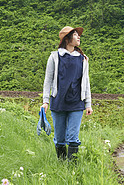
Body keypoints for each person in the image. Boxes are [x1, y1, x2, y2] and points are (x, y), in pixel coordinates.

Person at [41, 26, 93, 160]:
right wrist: (45, 101)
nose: (78, 37)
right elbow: (48, 80)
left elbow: (85, 82)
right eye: (75, 34)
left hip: (76, 102)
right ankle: (61, 165)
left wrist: (88, 104)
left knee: (73, 138)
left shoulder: (83, 59)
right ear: (67, 39)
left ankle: (72, 169)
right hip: (58, 101)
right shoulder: (54, 57)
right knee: (59, 139)